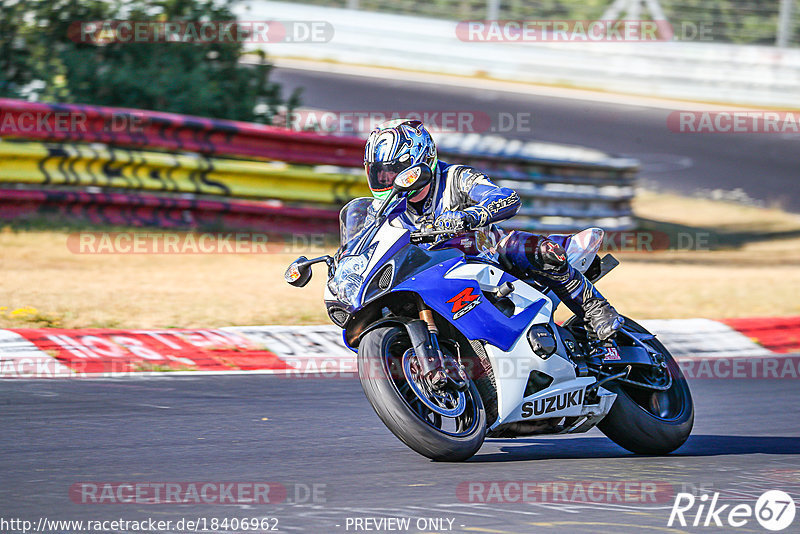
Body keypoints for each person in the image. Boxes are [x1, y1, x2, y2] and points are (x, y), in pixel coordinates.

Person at [363, 118, 623, 340]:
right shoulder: (382, 209)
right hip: (431, 275)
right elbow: (366, 244)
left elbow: (505, 197)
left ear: (420, 161)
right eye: (379, 174)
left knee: (531, 248)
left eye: (393, 172)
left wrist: (468, 217)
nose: (386, 181)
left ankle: (595, 308)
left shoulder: (456, 178)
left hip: (487, 257)